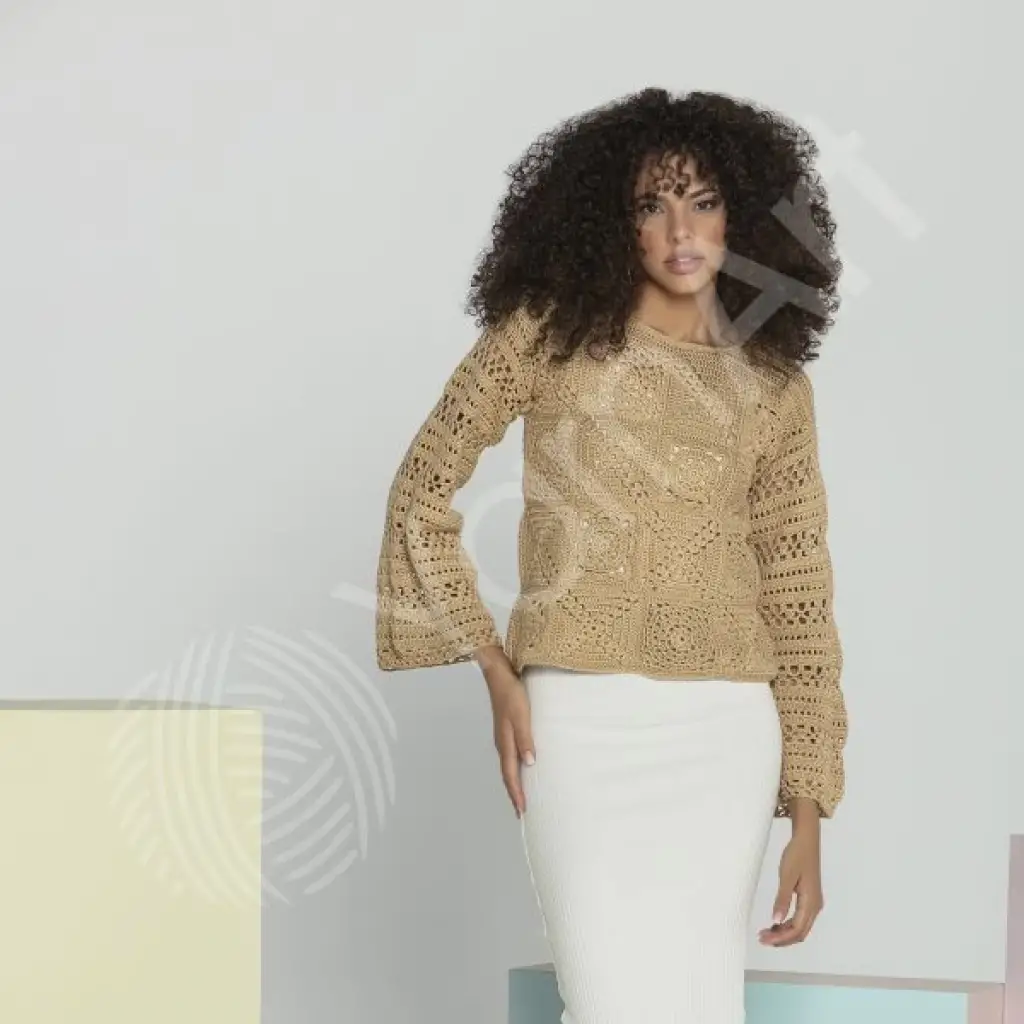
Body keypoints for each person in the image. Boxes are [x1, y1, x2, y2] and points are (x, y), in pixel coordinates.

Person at [374, 86, 848, 1023]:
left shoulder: (775, 388)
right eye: (650, 205)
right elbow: (422, 487)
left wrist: (807, 813)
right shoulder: (545, 338)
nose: (680, 230)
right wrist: (494, 667)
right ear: (609, 221)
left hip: (726, 736)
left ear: (743, 216)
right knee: (607, 1004)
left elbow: (799, 599)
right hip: (577, 728)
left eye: (703, 201)